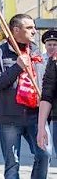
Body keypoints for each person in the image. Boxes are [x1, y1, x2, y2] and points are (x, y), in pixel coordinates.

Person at [0, 13, 51, 179]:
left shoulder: (38, 53)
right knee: (12, 163)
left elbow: (46, 84)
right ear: (15, 30)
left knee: (44, 155)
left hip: (36, 116)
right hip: (10, 117)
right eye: (29, 27)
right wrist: (17, 67)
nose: (34, 31)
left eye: (34, 27)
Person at [37, 28, 57, 157]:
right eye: (49, 44)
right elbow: (47, 92)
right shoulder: (43, 62)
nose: (52, 47)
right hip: (48, 105)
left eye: (55, 44)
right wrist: (41, 127)